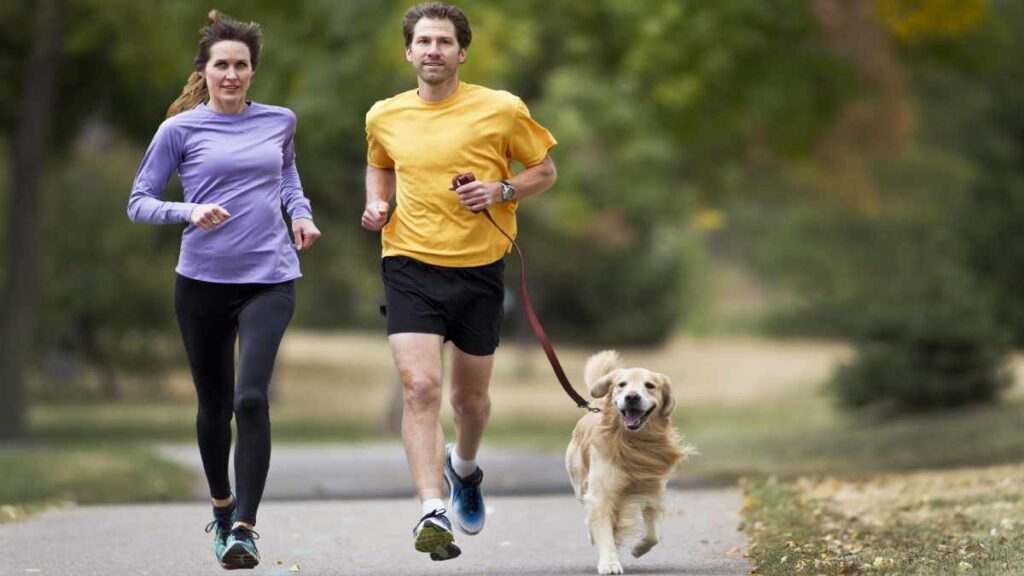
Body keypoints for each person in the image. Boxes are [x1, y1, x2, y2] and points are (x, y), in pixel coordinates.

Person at [362, 1, 557, 562]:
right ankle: (430, 507)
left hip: (478, 270)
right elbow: (379, 163)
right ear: (408, 51)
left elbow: (544, 171)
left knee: (469, 400)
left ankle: (464, 469)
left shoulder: (501, 109)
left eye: (444, 42)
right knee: (419, 388)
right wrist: (377, 203)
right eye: (423, 42)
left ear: (461, 52)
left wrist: (501, 191)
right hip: (408, 264)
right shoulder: (384, 115)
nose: (433, 51)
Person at [127, 9, 320, 570]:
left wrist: (300, 215)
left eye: (241, 65)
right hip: (202, 283)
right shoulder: (179, 130)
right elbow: (138, 201)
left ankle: (244, 528)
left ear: (253, 71)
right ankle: (221, 504)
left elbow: (287, 175)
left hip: (270, 278)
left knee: (250, 398)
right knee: (213, 407)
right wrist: (190, 209)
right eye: (222, 65)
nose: (231, 74)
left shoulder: (280, 120)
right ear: (205, 71)